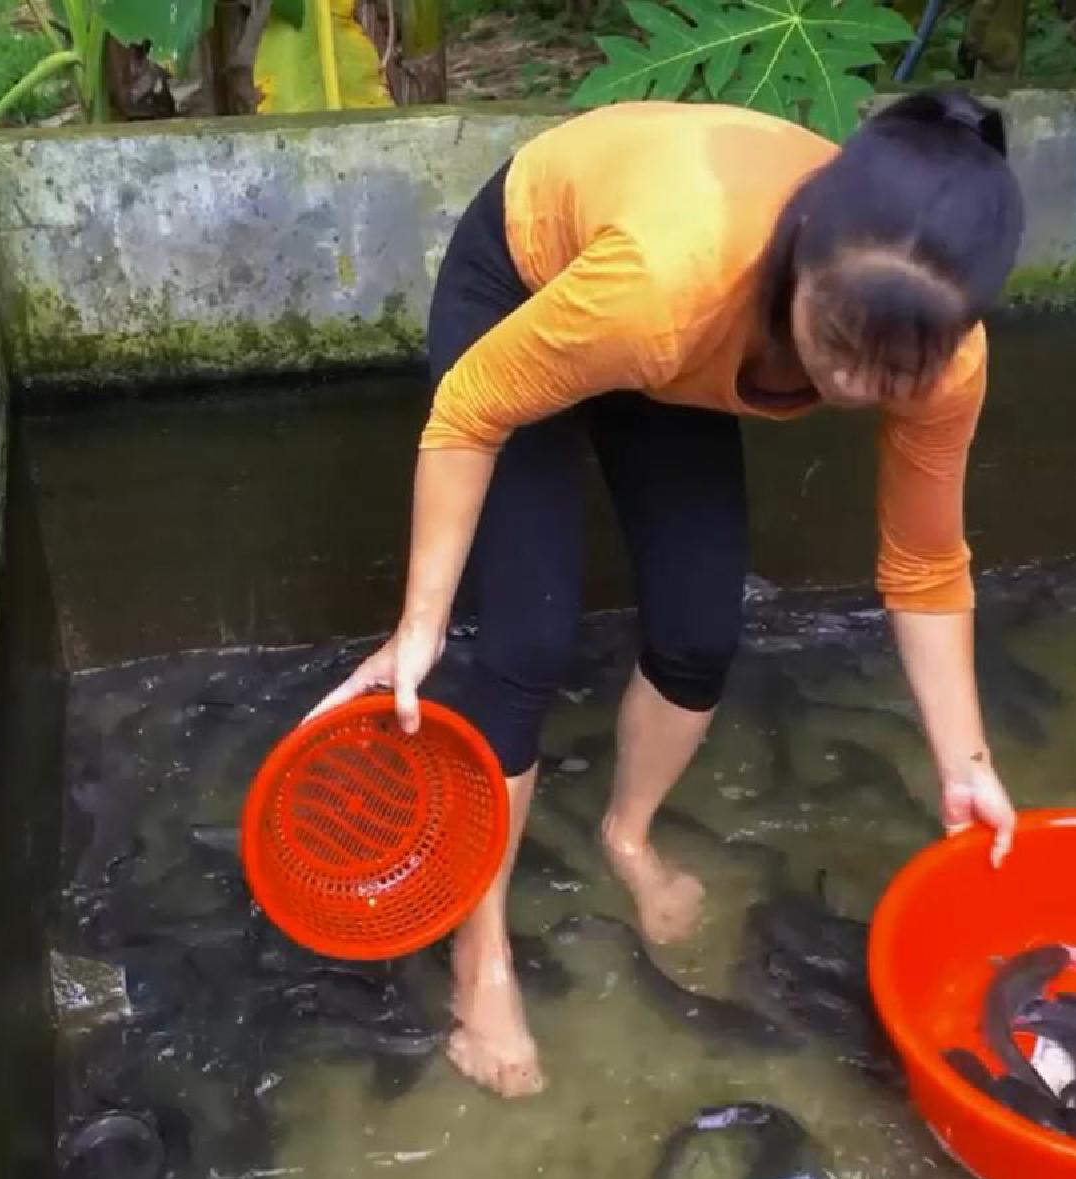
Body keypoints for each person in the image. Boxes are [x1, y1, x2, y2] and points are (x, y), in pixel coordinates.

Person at [307, 90, 1028, 1098]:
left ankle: (625, 832)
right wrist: (419, 626)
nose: (857, 387)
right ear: (802, 244)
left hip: (671, 343)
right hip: (533, 280)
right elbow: (469, 410)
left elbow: (923, 566)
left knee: (696, 636)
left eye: (893, 371)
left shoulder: (942, 361)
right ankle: (482, 962)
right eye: (839, 341)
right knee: (526, 647)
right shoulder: (663, 289)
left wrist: (966, 763)